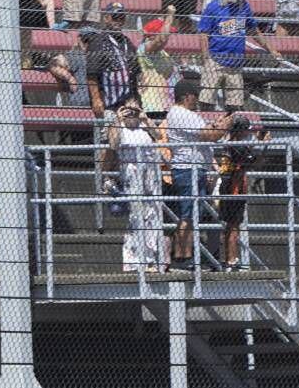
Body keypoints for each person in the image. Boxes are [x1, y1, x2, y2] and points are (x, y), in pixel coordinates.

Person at [165, 77, 230, 269]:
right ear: (186, 97)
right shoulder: (181, 114)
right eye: (195, 96)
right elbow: (209, 136)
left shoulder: (186, 114)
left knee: (192, 214)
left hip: (194, 169)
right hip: (188, 168)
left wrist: (217, 124)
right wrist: (226, 125)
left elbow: (205, 131)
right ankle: (182, 257)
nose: (197, 99)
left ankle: (185, 256)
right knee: (188, 213)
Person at [104, 101, 164, 273]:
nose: (132, 114)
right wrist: (117, 119)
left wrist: (145, 117)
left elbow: (159, 135)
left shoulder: (144, 126)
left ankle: (151, 259)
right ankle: (133, 261)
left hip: (150, 171)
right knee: (136, 214)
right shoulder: (119, 127)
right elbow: (113, 145)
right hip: (131, 170)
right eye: (128, 110)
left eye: (134, 110)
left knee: (152, 214)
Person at [198, 0, 268, 112]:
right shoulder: (213, 6)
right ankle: (206, 127)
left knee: (235, 105)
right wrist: (205, 57)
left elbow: (254, 31)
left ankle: (232, 129)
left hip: (235, 64)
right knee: (206, 101)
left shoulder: (244, 7)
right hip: (215, 59)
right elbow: (204, 33)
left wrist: (272, 50)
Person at [213, 113, 265, 271]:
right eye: (245, 130)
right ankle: (231, 260)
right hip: (234, 186)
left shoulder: (229, 142)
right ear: (239, 130)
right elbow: (252, 162)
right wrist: (263, 145)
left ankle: (229, 259)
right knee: (234, 224)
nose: (248, 133)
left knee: (230, 224)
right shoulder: (237, 145)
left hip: (228, 183)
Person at [84, 2, 140, 124]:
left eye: (122, 17)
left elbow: (135, 72)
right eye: (115, 17)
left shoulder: (127, 42)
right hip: (109, 103)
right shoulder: (98, 41)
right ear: (106, 18)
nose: (119, 21)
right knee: (112, 136)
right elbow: (91, 74)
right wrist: (96, 99)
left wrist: (136, 98)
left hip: (128, 101)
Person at [136, 14, 176, 120]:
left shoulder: (163, 53)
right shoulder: (145, 48)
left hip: (166, 104)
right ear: (153, 35)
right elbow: (161, 40)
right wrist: (170, 15)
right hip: (152, 106)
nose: (169, 36)